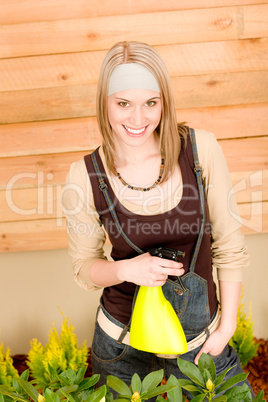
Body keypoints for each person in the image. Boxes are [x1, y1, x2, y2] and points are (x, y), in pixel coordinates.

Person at [62, 41, 254, 399]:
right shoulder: (84, 175)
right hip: (122, 344)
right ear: (105, 102)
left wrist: (226, 327)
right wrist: (125, 270)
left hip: (200, 339)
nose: (138, 120)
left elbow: (228, 245)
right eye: (123, 104)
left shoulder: (202, 151)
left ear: (164, 101)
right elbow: (83, 268)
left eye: (151, 103)